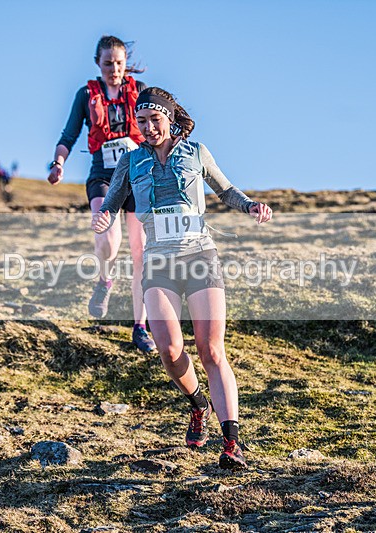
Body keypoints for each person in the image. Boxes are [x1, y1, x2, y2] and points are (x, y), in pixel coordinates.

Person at [92, 87, 273, 470]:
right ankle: (197, 405)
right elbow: (112, 200)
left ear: (170, 119)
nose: (147, 128)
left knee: (211, 350)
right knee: (170, 351)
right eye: (141, 122)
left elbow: (225, 190)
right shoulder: (131, 160)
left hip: (199, 256)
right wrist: (104, 215)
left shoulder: (196, 152)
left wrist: (251, 205)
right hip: (159, 261)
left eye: (154, 120)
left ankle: (231, 443)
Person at [47, 35, 156, 353]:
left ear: (126, 63)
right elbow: (69, 133)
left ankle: (140, 327)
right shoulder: (86, 95)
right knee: (108, 241)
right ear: (98, 63)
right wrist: (58, 163)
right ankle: (105, 280)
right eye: (108, 63)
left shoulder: (140, 92)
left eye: (119, 63)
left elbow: (160, 126)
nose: (114, 69)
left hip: (139, 177)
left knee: (141, 252)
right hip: (103, 178)